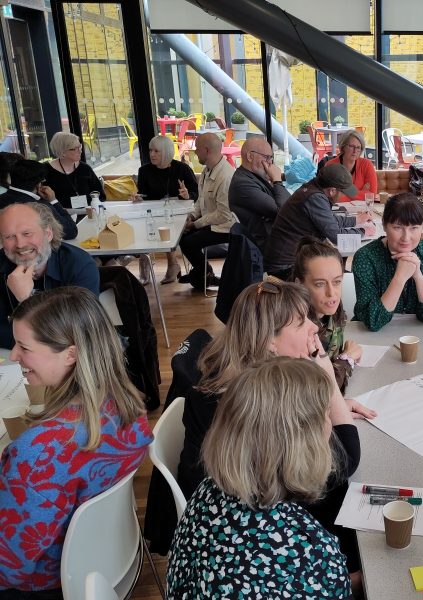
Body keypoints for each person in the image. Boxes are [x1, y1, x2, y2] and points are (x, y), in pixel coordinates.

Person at [175, 278, 374, 579]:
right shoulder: (261, 408)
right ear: (269, 340)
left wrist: (332, 407)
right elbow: (342, 463)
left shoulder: (232, 386)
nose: (314, 327)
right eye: (300, 322)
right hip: (261, 547)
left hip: (233, 531)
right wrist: (326, 377)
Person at [0, 287, 152, 594]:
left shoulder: (37, 452)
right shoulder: (130, 406)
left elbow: (10, 568)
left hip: (48, 579)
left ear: (70, 353)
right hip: (108, 552)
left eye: (23, 347)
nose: (14, 356)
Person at [167, 359, 352, 598]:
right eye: (326, 415)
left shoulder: (208, 491)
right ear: (303, 442)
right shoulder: (312, 555)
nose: (330, 424)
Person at [0, 203, 99, 349]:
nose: (20, 244)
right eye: (9, 236)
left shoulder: (79, 265)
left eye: (27, 233)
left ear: (48, 234)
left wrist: (26, 300)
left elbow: (76, 333)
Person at [353, 192, 423, 331]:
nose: (406, 237)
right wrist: (400, 278)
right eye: (397, 227)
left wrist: (417, 275)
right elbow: (373, 320)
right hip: (376, 339)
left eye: (414, 228)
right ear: (384, 225)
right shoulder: (366, 257)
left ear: (422, 227)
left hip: (420, 336)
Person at [265, 162, 376, 280]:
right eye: (343, 192)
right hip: (286, 268)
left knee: (342, 273)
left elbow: (329, 219)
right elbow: (337, 237)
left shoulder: (313, 188)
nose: (343, 196)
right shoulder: (315, 198)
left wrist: (356, 219)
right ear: (332, 191)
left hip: (292, 259)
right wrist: (363, 231)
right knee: (347, 279)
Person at [294, 237, 361, 392]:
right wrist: (347, 359)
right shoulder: (293, 326)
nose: (332, 293)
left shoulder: (330, 306)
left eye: (337, 282)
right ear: (299, 285)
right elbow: (317, 392)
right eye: (320, 284)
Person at [132, 135, 199, 284]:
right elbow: (144, 194)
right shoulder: (144, 171)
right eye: (150, 150)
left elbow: (196, 193)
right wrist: (138, 197)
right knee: (147, 223)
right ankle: (148, 263)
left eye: (157, 151)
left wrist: (187, 194)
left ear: (167, 152)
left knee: (167, 223)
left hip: (179, 212)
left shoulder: (182, 168)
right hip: (155, 212)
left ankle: (173, 264)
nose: (152, 154)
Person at [177, 132, 237, 290]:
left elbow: (224, 214)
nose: (195, 152)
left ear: (207, 150)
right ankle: (203, 274)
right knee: (182, 237)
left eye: (197, 148)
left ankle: (203, 274)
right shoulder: (207, 170)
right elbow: (201, 201)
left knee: (189, 242)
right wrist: (191, 216)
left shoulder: (226, 177)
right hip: (213, 220)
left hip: (227, 226)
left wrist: (195, 224)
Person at [228, 134, 290, 259]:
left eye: (271, 159)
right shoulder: (243, 183)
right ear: (250, 156)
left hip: (274, 239)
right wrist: (277, 180)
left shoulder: (254, 177)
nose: (270, 163)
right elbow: (282, 212)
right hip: (269, 248)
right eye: (267, 158)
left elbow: (288, 205)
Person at [0, 158, 78, 240]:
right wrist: (53, 201)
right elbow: (71, 231)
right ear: (39, 184)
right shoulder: (40, 206)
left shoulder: (2, 199)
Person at [44, 131, 105, 209]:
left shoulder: (85, 168)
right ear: (62, 152)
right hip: (60, 217)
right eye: (74, 149)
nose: (80, 151)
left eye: (80, 147)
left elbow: (100, 195)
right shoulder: (46, 171)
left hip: (88, 213)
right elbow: (44, 202)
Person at [323, 129, 377, 201]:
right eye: (351, 146)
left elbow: (371, 195)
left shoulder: (367, 165)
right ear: (343, 147)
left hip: (362, 210)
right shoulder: (331, 165)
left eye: (358, 147)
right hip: (337, 210)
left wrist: (344, 191)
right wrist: (360, 193)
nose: (355, 151)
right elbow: (329, 196)